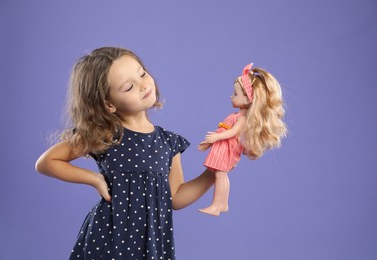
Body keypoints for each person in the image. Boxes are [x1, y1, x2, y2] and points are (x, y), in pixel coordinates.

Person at [35, 47, 215, 260]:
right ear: (109, 104)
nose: (143, 85)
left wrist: (212, 173)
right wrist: (94, 179)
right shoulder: (106, 134)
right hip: (110, 241)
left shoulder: (169, 142)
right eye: (129, 87)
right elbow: (46, 162)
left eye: (142, 74)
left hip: (152, 245)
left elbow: (174, 198)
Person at [198, 63, 287, 216]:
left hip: (227, 148)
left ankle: (217, 205)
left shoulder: (242, 119)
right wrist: (210, 142)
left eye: (236, 94)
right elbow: (226, 130)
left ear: (248, 100)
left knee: (220, 175)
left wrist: (216, 137)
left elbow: (232, 132)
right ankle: (222, 204)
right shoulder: (238, 116)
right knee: (220, 175)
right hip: (224, 147)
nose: (231, 96)